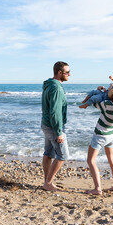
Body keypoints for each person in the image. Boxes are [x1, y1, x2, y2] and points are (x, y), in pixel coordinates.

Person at [41, 61, 71, 191]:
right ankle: (48, 183)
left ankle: (47, 182)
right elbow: (55, 111)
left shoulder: (49, 84)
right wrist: (59, 131)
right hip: (53, 127)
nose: (70, 74)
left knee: (48, 153)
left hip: (46, 124)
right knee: (63, 155)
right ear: (59, 73)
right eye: (67, 72)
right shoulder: (56, 88)